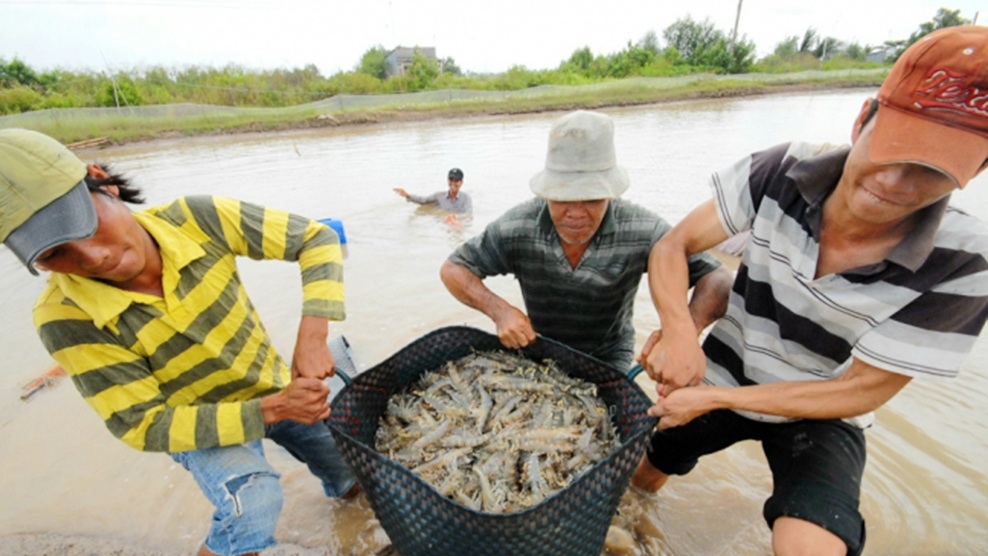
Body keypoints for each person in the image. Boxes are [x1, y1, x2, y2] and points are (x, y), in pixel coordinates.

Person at [633, 26, 988, 556]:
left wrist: (720, 398)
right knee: (646, 471)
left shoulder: (964, 262)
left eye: (928, 169)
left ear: (976, 170)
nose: (893, 182)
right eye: (891, 147)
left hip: (819, 408)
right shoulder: (783, 168)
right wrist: (680, 330)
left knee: (813, 542)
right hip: (726, 365)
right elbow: (674, 245)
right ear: (863, 117)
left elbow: (863, 390)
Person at [0, 128, 358, 556]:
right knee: (252, 502)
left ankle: (354, 526)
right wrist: (274, 410)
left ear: (102, 180)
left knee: (348, 466)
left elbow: (315, 238)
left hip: (273, 382)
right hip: (198, 421)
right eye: (56, 253)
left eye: (86, 224)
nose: (93, 258)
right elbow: (140, 423)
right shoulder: (65, 316)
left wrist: (313, 336)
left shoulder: (196, 219)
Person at [440, 110, 734, 371]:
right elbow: (454, 269)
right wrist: (500, 311)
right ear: (547, 191)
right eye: (564, 197)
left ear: (610, 192)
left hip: (609, 357)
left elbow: (719, 278)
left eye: (592, 197)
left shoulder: (643, 230)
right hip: (541, 350)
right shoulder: (519, 227)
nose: (576, 213)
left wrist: (681, 334)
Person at [394, 167, 472, 224]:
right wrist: (408, 195)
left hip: (457, 223)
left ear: (461, 182)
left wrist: (454, 218)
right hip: (443, 223)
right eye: (451, 180)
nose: (453, 183)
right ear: (448, 181)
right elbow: (424, 200)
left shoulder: (466, 198)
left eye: (456, 181)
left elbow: (468, 215)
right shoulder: (439, 196)